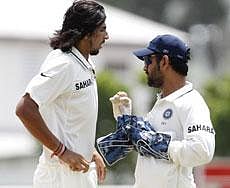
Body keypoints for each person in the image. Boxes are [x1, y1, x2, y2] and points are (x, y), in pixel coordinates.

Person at [15, 0, 109, 187]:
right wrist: (62, 151)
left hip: (78, 171)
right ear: (87, 33)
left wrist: (88, 150)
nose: (107, 36)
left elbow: (69, 116)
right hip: (59, 176)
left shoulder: (85, 63)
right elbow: (24, 108)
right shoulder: (63, 64)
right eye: (102, 29)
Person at [109, 34, 215, 188]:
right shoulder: (162, 103)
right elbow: (146, 146)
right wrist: (125, 118)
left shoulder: (191, 102)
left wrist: (162, 145)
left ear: (164, 61)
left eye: (148, 61)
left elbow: (202, 151)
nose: (145, 67)